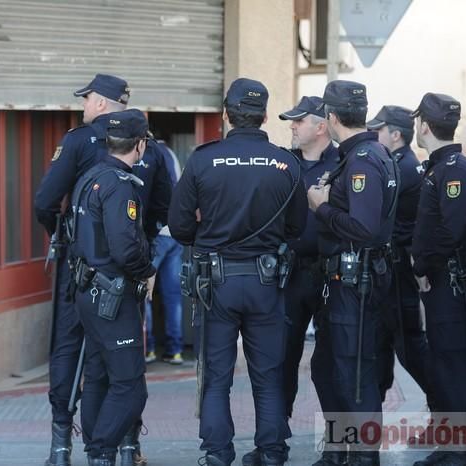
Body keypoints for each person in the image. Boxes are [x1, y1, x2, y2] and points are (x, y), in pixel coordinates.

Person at [168, 78, 308, 466]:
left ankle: (216, 453)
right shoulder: (286, 163)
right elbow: (298, 227)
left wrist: (209, 234)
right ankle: (272, 452)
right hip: (267, 283)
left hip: (217, 282)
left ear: (227, 114)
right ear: (264, 116)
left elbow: (179, 227)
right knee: (268, 375)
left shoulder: (203, 159)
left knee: (217, 376)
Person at [34, 73, 130, 466]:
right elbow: (163, 209)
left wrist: (61, 233)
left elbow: (44, 200)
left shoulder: (78, 141)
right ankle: (124, 445)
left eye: (87, 99)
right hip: (127, 269)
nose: (84, 106)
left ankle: (61, 444)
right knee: (121, 357)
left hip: (80, 266)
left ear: (103, 103)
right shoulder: (145, 144)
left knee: (68, 347)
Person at [241, 95, 338, 466]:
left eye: (299, 121)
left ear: (321, 126)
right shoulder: (282, 164)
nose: (292, 126)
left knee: (330, 366)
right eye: (290, 121)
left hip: (330, 274)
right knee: (280, 362)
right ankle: (272, 444)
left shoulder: (343, 163)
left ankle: (336, 447)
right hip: (290, 273)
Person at [307, 80, 398, 466]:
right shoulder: (368, 153)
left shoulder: (362, 159)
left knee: (354, 375)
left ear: (329, 118)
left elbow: (364, 228)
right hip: (351, 281)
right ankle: (339, 450)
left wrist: (321, 206)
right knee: (331, 368)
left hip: (355, 284)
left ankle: (361, 457)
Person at [68, 109, 156, 466]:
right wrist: (147, 270)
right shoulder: (121, 185)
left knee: (100, 377)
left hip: (88, 292)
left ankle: (96, 451)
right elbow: (124, 246)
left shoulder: (89, 177)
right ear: (140, 144)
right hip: (111, 297)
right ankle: (101, 452)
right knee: (131, 385)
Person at [410, 93, 466, 466]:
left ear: (424, 125)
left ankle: (460, 452)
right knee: (443, 363)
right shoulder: (441, 167)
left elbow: (450, 233)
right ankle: (450, 445)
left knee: (454, 367)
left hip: (447, 282)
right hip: (440, 282)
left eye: (416, 120)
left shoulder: (452, 169)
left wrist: (422, 267)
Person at [366, 106, 433, 406]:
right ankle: (373, 413)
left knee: (410, 346)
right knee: (382, 343)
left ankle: (443, 408)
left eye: (378, 129)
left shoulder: (401, 167)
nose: (374, 134)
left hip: (398, 270)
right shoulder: (402, 163)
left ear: (396, 134)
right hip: (395, 268)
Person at [144, 142, 184, 365]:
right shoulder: (170, 153)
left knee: (144, 291)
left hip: (156, 233)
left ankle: (148, 348)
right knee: (172, 295)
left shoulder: (147, 155)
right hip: (174, 232)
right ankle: (175, 350)